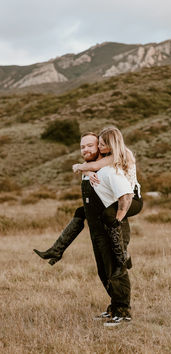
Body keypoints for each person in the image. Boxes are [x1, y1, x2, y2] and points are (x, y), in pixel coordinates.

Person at [34, 131, 140, 325]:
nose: (88, 149)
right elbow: (86, 171)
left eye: (92, 145)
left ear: (103, 147)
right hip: (97, 229)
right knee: (103, 271)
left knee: (116, 269)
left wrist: (117, 221)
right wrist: (86, 170)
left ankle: (123, 312)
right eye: (83, 146)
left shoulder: (111, 170)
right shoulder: (92, 171)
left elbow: (126, 197)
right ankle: (114, 307)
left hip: (112, 225)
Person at [73, 126, 143, 277]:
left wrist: (119, 216)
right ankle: (123, 256)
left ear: (112, 144)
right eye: (98, 143)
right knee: (106, 216)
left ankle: (121, 258)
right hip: (120, 197)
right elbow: (92, 166)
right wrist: (85, 170)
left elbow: (95, 166)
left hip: (133, 199)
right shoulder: (109, 155)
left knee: (110, 217)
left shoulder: (121, 155)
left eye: (102, 144)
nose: (99, 147)